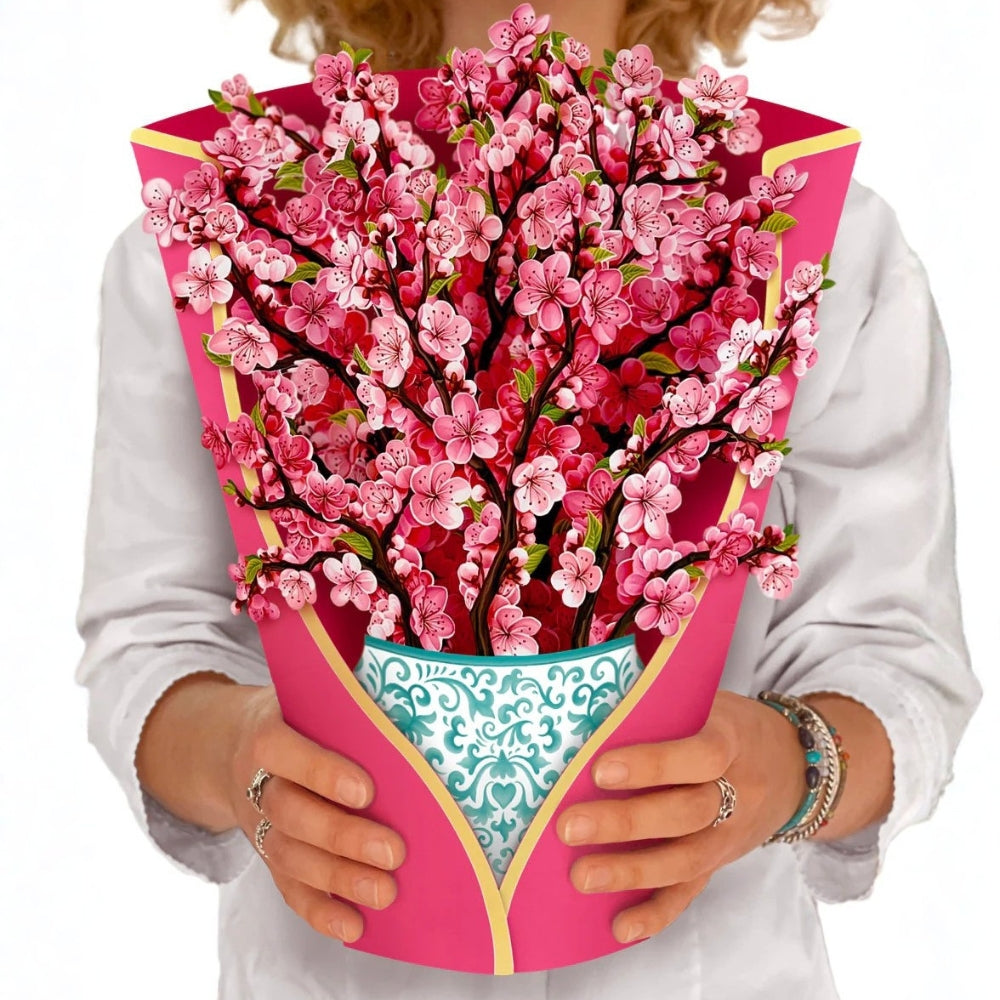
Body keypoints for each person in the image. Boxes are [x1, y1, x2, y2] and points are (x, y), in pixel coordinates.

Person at [74, 1, 983, 997]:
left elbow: (895, 653)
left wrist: (792, 768)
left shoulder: (821, 238)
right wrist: (236, 758)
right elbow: (151, 637)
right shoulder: (218, 234)